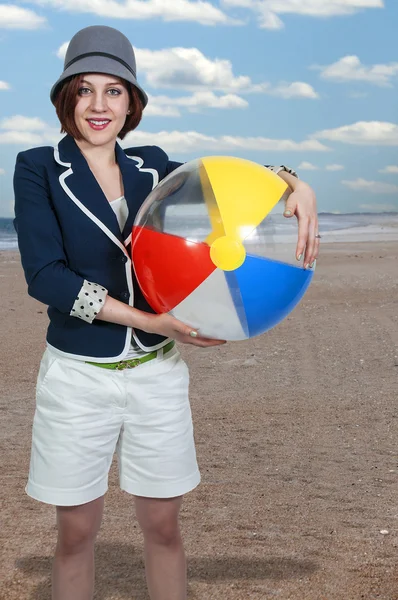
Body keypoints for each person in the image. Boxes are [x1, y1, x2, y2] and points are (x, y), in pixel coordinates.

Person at [13, 25, 320, 600]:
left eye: (114, 91)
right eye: (85, 90)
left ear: (132, 102)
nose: (99, 106)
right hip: (78, 376)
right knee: (77, 534)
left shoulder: (155, 169)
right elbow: (46, 277)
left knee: (163, 526)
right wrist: (151, 322)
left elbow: (232, 186)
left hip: (156, 376)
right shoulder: (37, 168)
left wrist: (295, 183)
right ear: (66, 99)